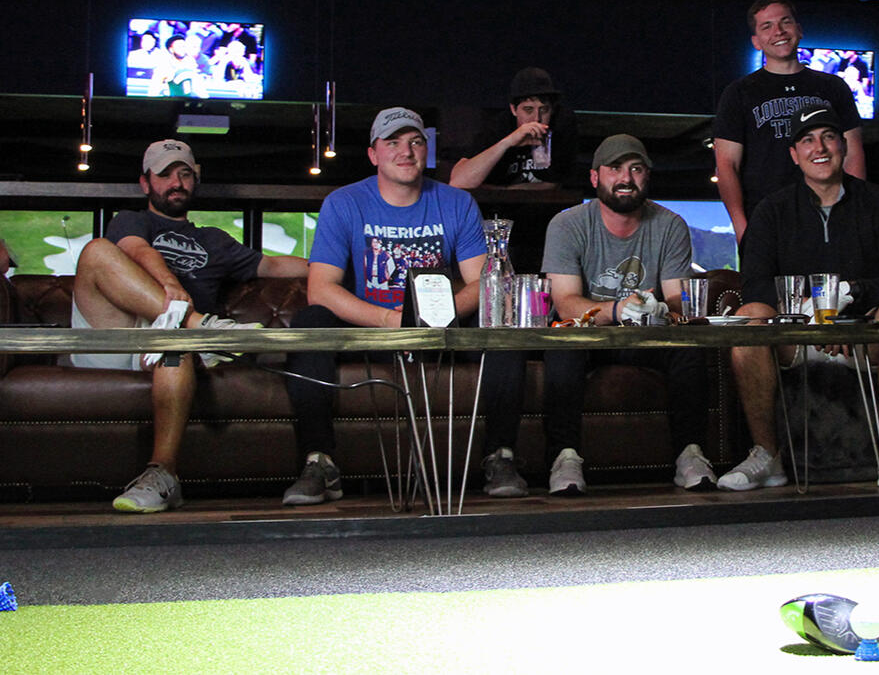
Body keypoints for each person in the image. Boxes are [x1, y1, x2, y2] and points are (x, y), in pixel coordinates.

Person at [282, 107, 532, 504]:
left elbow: (482, 283)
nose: (406, 151)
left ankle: (500, 456)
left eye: (416, 142)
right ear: (373, 154)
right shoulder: (343, 203)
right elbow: (321, 289)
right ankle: (318, 462)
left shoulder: (457, 202)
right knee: (310, 321)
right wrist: (390, 320)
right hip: (371, 325)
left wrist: (438, 317)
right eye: (393, 142)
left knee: (500, 323)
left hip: (439, 326)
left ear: (426, 151)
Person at [67, 139, 308, 513]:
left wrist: (336, 266)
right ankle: (202, 328)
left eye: (185, 174)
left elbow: (272, 266)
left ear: (196, 181)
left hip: (170, 341)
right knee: (96, 250)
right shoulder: (131, 220)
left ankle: (162, 475)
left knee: (174, 344)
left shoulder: (214, 240)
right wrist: (173, 289)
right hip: (118, 333)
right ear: (145, 182)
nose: (176, 183)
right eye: (165, 175)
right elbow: (137, 250)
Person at [719, 108, 879, 494]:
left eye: (828, 137)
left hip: (861, 335)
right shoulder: (771, 210)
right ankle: (767, 455)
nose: (819, 147)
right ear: (794, 154)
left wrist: (847, 303)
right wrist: (809, 315)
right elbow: (756, 285)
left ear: (843, 146)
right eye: (807, 140)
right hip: (795, 335)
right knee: (749, 317)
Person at [539, 133, 716, 496]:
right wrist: (619, 309)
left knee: (689, 345)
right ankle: (565, 456)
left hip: (646, 334)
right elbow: (566, 302)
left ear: (647, 176)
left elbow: (676, 299)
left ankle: (690, 454)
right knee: (562, 342)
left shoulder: (670, 224)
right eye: (615, 168)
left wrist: (660, 309)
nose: (626, 178)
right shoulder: (567, 224)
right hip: (590, 335)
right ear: (595, 177)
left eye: (636, 169)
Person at [712, 0, 866, 241]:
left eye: (785, 22)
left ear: (799, 30)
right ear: (756, 42)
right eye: (767, 26)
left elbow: (853, 154)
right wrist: (742, 229)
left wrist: (852, 215)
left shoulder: (833, 87)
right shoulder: (739, 93)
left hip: (830, 219)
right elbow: (727, 165)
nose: (779, 31)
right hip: (766, 223)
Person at [450, 67, 580, 191]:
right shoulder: (497, 126)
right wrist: (507, 142)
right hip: (494, 205)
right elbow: (458, 183)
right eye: (528, 110)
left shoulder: (561, 124)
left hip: (545, 205)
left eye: (544, 110)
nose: (536, 119)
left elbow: (555, 184)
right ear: (513, 109)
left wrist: (506, 191)